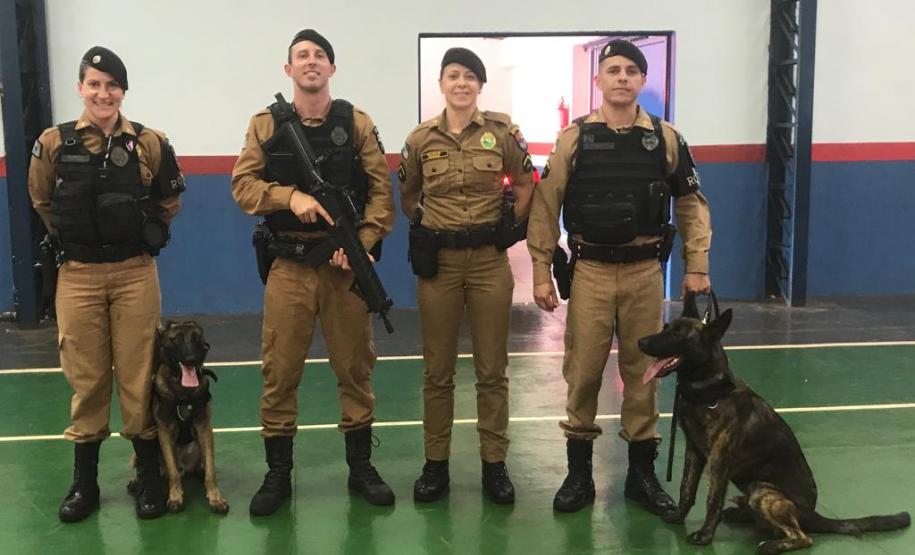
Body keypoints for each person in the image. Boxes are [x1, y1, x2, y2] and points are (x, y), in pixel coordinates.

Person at [526, 39, 712, 516]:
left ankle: (641, 477)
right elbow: (546, 206)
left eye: (632, 70)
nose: (623, 77)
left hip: (645, 273)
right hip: (588, 271)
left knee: (642, 373)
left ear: (642, 80)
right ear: (599, 79)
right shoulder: (575, 138)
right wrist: (542, 270)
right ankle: (579, 475)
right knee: (583, 372)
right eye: (613, 69)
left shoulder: (666, 139)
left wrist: (697, 265)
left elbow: (691, 205)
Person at [231, 29, 396, 515]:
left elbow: (381, 194)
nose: (311, 62)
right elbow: (243, 187)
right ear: (289, 69)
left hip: (344, 268)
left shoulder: (357, 122)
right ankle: (278, 473)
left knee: (355, 368)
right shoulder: (265, 124)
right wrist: (290, 197)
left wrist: (361, 245)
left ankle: (360, 468)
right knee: (279, 370)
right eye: (301, 55)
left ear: (331, 68)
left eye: (319, 55)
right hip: (290, 265)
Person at [28, 46, 185, 522]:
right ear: (80, 88)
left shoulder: (149, 142)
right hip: (77, 275)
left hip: (135, 271)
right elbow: (42, 201)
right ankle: (85, 485)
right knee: (87, 378)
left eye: (112, 85)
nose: (103, 93)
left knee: (139, 376)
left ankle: (149, 478)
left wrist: (142, 228)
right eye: (94, 84)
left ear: (123, 91)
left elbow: (169, 198)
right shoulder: (54, 143)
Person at [398, 47, 535, 504]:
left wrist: (510, 226)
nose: (462, 83)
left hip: (489, 263)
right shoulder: (420, 140)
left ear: (480, 85)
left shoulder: (502, 132)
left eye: (470, 77)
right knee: (437, 371)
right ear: (441, 84)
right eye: (453, 75)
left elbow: (525, 182)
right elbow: (410, 194)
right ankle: (435, 466)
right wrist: (428, 228)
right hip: (440, 266)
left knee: (492, 370)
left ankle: (494, 466)